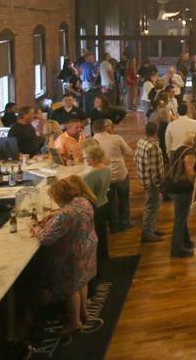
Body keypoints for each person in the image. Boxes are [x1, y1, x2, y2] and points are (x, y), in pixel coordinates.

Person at [33, 175, 98, 334]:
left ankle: (75, 322)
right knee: (82, 281)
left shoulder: (66, 214)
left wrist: (36, 228)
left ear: (59, 197)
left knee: (71, 289)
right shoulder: (83, 202)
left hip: (72, 255)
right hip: (87, 247)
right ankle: (84, 312)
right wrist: (55, 215)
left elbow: (45, 238)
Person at [92, 119, 133, 232]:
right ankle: (125, 222)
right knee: (123, 199)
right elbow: (129, 152)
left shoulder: (92, 141)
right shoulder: (116, 138)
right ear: (105, 128)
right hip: (120, 173)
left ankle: (114, 226)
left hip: (104, 176)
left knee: (110, 202)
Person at [134, 122, 166, 243]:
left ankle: (151, 229)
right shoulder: (153, 147)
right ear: (156, 131)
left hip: (144, 178)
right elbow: (155, 169)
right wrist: (160, 183)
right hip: (152, 182)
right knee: (151, 206)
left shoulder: (141, 142)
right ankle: (147, 233)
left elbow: (135, 158)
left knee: (153, 205)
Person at [167, 131, 196, 258]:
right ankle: (177, 249)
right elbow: (190, 171)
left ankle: (186, 242)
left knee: (181, 217)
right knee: (180, 219)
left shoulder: (178, 150)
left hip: (172, 187)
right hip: (182, 189)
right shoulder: (189, 153)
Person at [83, 143, 111, 270]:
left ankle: (96, 262)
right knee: (103, 233)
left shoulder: (90, 175)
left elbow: (88, 195)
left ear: (93, 159)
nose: (85, 160)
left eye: (86, 157)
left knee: (95, 235)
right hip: (105, 203)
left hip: (95, 207)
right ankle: (104, 257)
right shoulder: (107, 169)